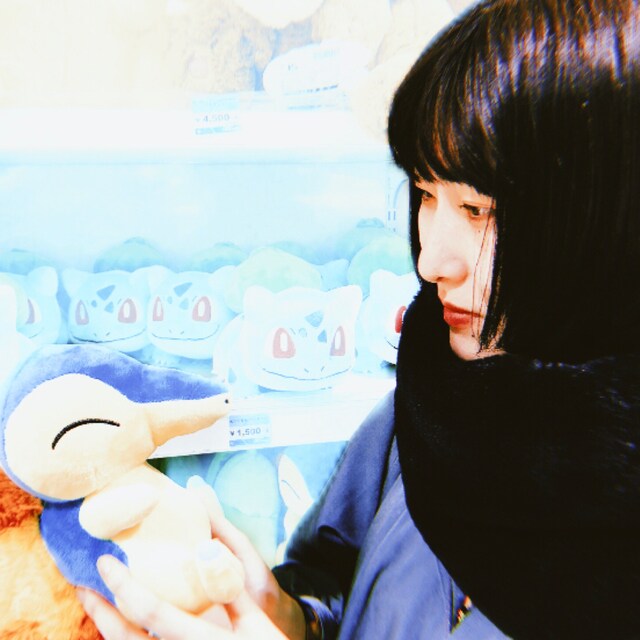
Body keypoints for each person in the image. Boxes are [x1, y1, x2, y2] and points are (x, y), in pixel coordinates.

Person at [79, 0, 640, 637]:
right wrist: (292, 617)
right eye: (425, 193)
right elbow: (344, 580)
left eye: (477, 210)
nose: (430, 261)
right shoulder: (430, 399)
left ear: (603, 217)